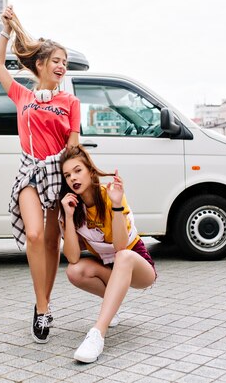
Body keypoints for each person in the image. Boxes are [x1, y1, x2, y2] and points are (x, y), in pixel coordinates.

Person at [0, 5, 80, 344]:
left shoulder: (70, 102)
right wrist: (6, 31)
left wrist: (74, 181)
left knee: (52, 241)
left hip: (57, 172)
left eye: (65, 62)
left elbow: (73, 146)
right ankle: (42, 306)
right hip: (29, 170)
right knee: (34, 236)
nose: (62, 66)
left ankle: (43, 304)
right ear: (41, 64)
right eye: (57, 60)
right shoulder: (23, 96)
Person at [59, 146, 156, 363]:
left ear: (90, 172)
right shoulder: (73, 208)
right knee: (74, 271)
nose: (73, 178)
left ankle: (97, 334)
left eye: (77, 171)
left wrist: (117, 204)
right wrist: (67, 215)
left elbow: (121, 246)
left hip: (137, 266)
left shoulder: (110, 194)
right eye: (67, 175)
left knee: (123, 256)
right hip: (109, 268)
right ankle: (112, 307)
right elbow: (73, 258)